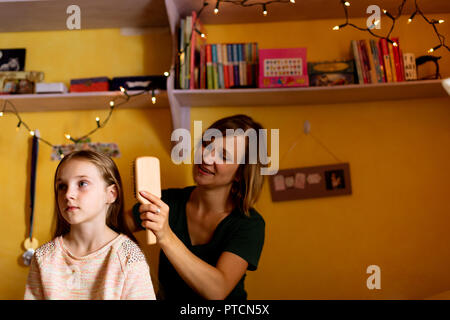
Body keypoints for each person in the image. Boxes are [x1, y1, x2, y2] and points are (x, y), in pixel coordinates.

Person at [130, 114, 266, 300]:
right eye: (206, 145)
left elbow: (217, 290)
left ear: (240, 174)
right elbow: (111, 225)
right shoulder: (168, 201)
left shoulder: (249, 225)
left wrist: (166, 235)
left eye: (223, 155)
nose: (207, 157)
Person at [24, 150, 155, 300]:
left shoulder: (129, 257)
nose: (68, 194)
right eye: (62, 186)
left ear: (111, 194)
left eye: (82, 184)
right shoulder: (43, 257)